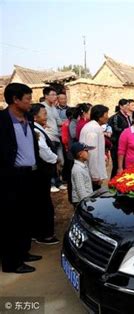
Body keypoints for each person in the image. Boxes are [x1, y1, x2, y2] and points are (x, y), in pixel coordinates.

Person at [0, 83, 41, 273]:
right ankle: (10, 262)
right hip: (11, 177)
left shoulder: (28, 118)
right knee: (11, 220)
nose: (30, 102)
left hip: (29, 174)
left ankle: (23, 252)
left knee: (26, 216)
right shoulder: (2, 121)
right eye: (28, 99)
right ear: (15, 100)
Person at [31, 103, 59, 245]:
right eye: (44, 114)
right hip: (41, 172)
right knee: (43, 203)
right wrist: (55, 159)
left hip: (41, 171)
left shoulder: (38, 129)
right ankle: (44, 234)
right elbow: (43, 150)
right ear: (35, 117)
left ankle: (38, 232)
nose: (46, 116)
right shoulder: (36, 131)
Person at [79, 105, 109, 190]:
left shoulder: (94, 127)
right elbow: (91, 153)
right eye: (106, 114)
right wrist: (95, 175)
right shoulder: (93, 128)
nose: (108, 117)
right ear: (99, 116)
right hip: (91, 172)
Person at [41, 87, 65, 192]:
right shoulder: (42, 107)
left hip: (57, 137)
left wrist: (70, 120)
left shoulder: (54, 108)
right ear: (46, 95)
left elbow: (59, 122)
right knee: (51, 161)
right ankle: (51, 184)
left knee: (60, 161)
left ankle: (58, 182)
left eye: (56, 95)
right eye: (53, 94)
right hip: (48, 136)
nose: (55, 97)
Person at [109, 99, 131, 178]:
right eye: (126, 105)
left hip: (126, 145)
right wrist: (126, 131)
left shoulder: (127, 117)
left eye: (129, 105)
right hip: (116, 145)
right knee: (116, 166)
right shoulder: (116, 117)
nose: (128, 107)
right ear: (121, 106)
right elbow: (115, 129)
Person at [70, 142, 94, 207]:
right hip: (81, 202)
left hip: (86, 198)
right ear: (80, 154)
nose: (88, 153)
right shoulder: (77, 170)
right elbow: (81, 190)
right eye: (86, 151)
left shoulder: (83, 165)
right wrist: (87, 204)